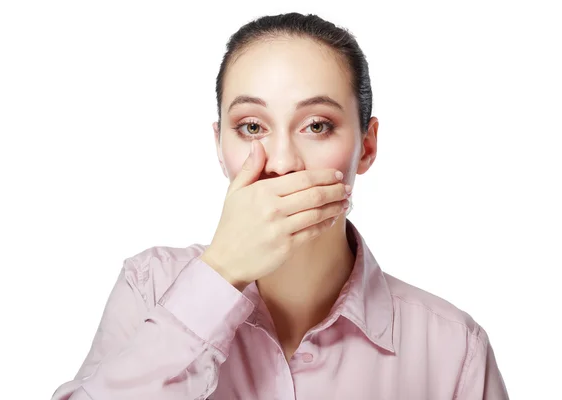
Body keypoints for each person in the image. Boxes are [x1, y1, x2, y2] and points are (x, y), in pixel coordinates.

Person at [51, 12, 509, 400]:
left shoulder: (453, 348)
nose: (284, 162)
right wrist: (220, 272)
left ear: (366, 147)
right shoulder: (149, 287)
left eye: (316, 125)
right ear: (220, 146)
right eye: (252, 127)